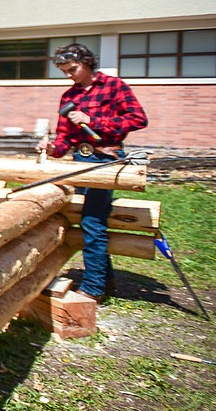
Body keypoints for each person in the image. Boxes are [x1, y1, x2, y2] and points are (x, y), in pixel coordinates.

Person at [37, 43, 147, 300]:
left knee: (92, 220)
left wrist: (93, 121)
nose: (69, 75)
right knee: (87, 218)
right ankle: (105, 281)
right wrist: (52, 147)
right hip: (80, 160)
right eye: (64, 71)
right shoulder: (68, 97)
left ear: (87, 63)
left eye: (72, 69)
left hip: (106, 159)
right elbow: (64, 137)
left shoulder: (114, 86)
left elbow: (138, 119)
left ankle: (94, 288)